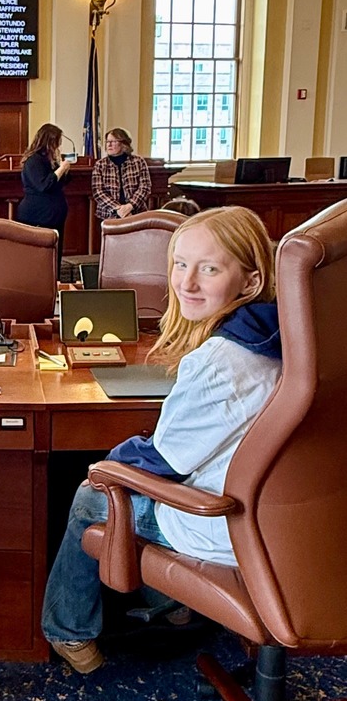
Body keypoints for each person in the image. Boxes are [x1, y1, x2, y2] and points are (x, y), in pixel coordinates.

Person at [42, 206, 280, 675]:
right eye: (180, 263)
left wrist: (111, 463)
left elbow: (164, 460)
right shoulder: (292, 336)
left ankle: (69, 631)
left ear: (250, 282)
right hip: (290, 524)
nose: (186, 283)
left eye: (209, 268)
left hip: (226, 523)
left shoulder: (220, 361)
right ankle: (173, 606)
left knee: (93, 491)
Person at [15, 123, 72, 274]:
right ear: (49, 141)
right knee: (38, 257)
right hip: (38, 215)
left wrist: (62, 167)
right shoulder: (34, 161)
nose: (59, 145)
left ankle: (55, 281)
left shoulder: (50, 159)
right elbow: (44, 185)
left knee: (54, 256)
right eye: (57, 142)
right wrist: (61, 169)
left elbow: (61, 183)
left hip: (54, 216)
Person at [92, 127, 152, 221]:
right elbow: (98, 192)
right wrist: (118, 209)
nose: (109, 144)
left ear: (123, 143)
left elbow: (145, 187)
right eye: (107, 141)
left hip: (136, 213)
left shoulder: (138, 162)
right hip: (108, 215)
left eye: (113, 141)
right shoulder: (100, 165)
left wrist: (130, 206)